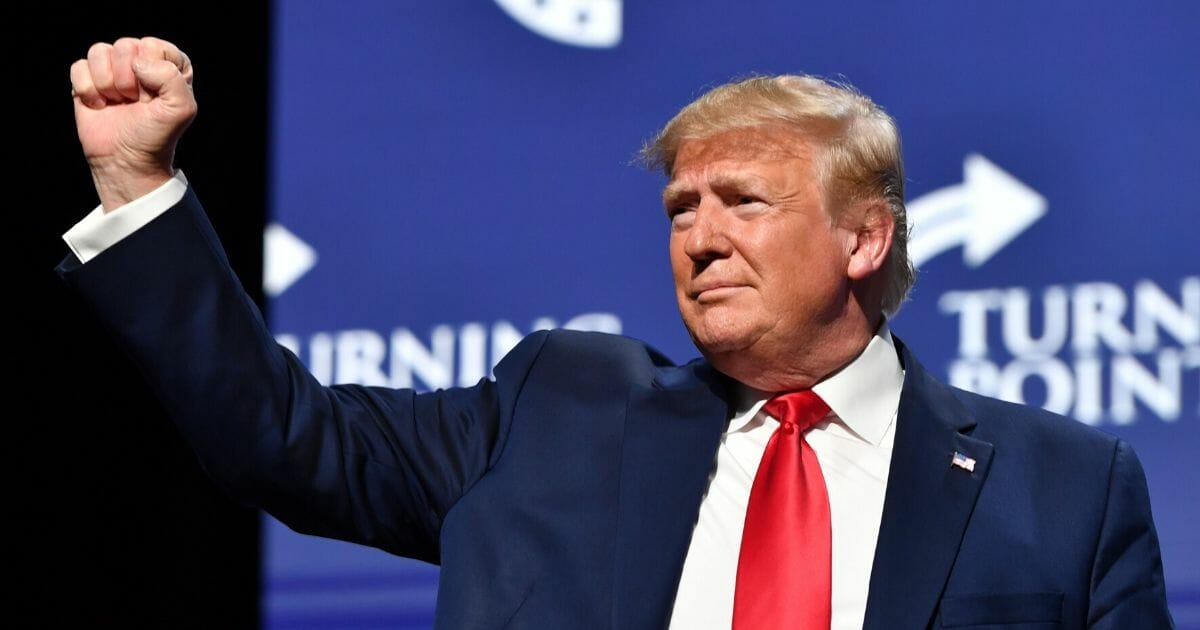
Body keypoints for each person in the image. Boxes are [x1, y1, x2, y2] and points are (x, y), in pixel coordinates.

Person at [61, 37, 1172, 629]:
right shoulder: (559, 410)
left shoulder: (1067, 486)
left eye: (745, 201)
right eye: (682, 210)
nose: (700, 236)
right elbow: (277, 433)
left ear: (864, 241)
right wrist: (136, 183)